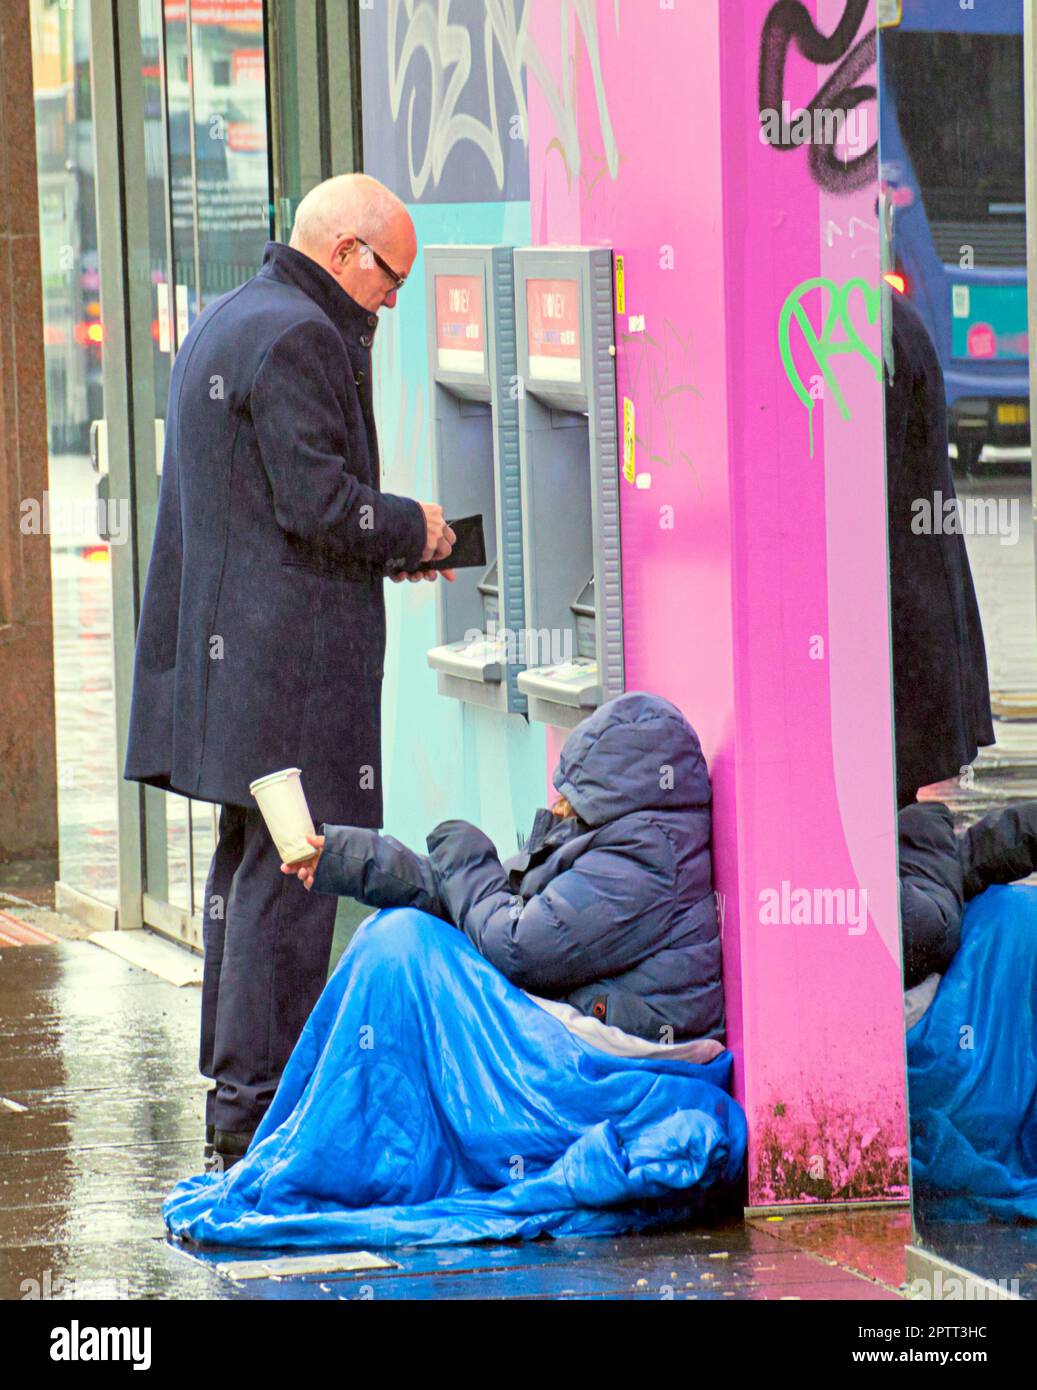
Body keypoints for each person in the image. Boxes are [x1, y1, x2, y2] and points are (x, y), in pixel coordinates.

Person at [124, 174, 455, 1173]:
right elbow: (319, 501)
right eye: (389, 277)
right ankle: (259, 1112)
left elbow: (268, 499)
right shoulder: (304, 337)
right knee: (292, 873)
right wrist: (416, 528)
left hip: (237, 673)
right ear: (348, 253)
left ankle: (236, 1098)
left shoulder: (233, 316)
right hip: (288, 674)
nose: (391, 300)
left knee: (248, 870)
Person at [284, 691, 726, 1044]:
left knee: (405, 952)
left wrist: (465, 849)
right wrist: (344, 856)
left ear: (613, 786)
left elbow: (517, 948)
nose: (557, 803)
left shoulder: (645, 858)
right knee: (396, 935)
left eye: (573, 788)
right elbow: (476, 895)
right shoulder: (619, 836)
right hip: (592, 1027)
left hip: (624, 1053)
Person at [885, 292, 994, 807]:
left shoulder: (868, 329)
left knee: (893, 834)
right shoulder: (885, 316)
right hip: (915, 631)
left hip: (903, 638)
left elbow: (863, 493)